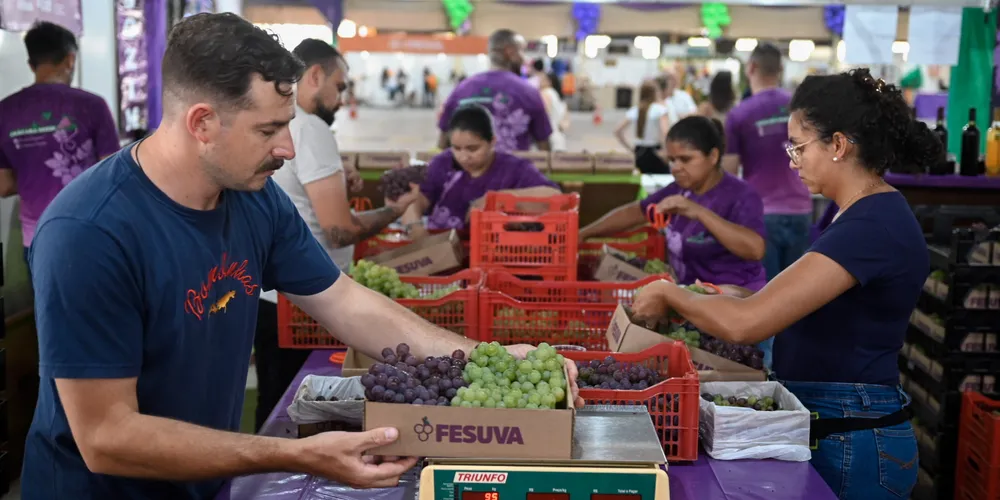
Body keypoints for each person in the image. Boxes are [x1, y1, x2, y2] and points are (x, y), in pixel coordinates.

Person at [23, 14, 582, 499]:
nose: (287, 149)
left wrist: (491, 359)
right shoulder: (89, 233)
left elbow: (343, 301)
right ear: (201, 124)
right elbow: (106, 437)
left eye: (288, 126)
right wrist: (291, 453)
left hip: (206, 482)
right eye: (268, 130)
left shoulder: (255, 201)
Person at [631, 69, 940, 499]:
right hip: (835, 421)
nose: (791, 160)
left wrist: (671, 294)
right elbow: (799, 301)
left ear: (838, 144)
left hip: (853, 434)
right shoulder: (848, 213)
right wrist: (738, 294)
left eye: (798, 146)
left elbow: (747, 325)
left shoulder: (872, 224)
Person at [254, 39, 418, 432]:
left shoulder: (296, 128)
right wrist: (397, 210)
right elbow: (340, 229)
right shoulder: (309, 130)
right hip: (302, 305)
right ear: (314, 75)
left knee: (277, 408)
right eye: (340, 86)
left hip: (277, 300)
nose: (342, 98)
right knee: (295, 414)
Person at [583, 115, 766, 309]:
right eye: (671, 160)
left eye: (685, 159)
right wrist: (585, 233)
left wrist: (700, 213)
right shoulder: (678, 189)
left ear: (713, 156)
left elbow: (755, 249)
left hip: (735, 304)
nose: (676, 168)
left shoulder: (740, 195)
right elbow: (634, 212)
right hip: (692, 300)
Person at [721, 43, 811, 366]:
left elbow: (728, 173)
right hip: (802, 211)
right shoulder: (800, 108)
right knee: (801, 301)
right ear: (781, 69)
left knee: (764, 304)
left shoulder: (740, 114)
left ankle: (769, 376)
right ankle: (797, 371)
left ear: (751, 69)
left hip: (761, 219)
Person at [0, 21, 119, 261]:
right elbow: (112, 173)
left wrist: (33, 179)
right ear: (70, 60)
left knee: (46, 299)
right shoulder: (92, 105)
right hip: (89, 232)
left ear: (31, 64)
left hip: (36, 239)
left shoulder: (5, 110)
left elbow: (3, 186)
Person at [405, 103, 561, 238]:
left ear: (492, 141)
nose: (464, 157)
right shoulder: (443, 163)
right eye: (457, 148)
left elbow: (556, 197)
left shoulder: (513, 169)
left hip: (493, 255)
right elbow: (416, 199)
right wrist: (415, 226)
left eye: (473, 149)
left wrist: (497, 200)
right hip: (444, 252)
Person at [437, 29, 552, 153]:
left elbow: (443, 143)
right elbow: (544, 150)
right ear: (510, 52)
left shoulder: (461, 89)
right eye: (522, 51)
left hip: (469, 171)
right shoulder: (529, 92)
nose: (524, 59)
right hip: (514, 171)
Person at [615, 81, 670, 174]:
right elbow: (665, 132)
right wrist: (665, 151)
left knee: (643, 181)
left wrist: (630, 149)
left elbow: (617, 131)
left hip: (639, 151)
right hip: (655, 150)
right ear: (655, 93)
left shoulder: (635, 110)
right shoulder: (660, 110)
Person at [539, 72, 569, 152]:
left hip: (548, 136)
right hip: (560, 137)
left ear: (549, 81)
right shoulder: (559, 97)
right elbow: (566, 123)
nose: (539, 81)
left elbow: (544, 114)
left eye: (542, 79)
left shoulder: (545, 93)